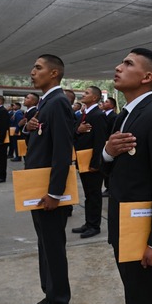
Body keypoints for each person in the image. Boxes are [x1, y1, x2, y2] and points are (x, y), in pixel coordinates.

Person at [101, 48, 152, 304]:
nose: (119, 67)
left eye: (128, 63)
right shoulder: (124, 115)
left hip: (144, 231)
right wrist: (107, 152)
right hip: (125, 226)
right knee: (135, 298)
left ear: (147, 77)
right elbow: (114, 169)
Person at [19, 54, 75, 304]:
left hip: (48, 191)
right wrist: (31, 128)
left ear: (54, 73)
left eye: (38, 68)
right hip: (36, 187)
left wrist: (55, 192)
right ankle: (50, 295)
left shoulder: (59, 102)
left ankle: (59, 303)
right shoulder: (46, 103)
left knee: (53, 247)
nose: (32, 72)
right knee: (45, 245)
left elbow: (63, 151)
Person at [70, 86, 107, 239]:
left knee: (94, 194)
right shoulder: (83, 114)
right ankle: (88, 222)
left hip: (92, 161)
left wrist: (95, 163)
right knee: (88, 194)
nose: (82, 95)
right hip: (82, 159)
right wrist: (78, 130)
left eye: (86, 93)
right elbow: (74, 132)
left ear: (95, 98)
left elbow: (100, 141)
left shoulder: (98, 115)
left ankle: (94, 225)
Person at [101, 96, 117, 197]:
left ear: (111, 105)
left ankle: (109, 187)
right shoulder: (102, 115)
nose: (104, 103)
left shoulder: (114, 116)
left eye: (106, 102)